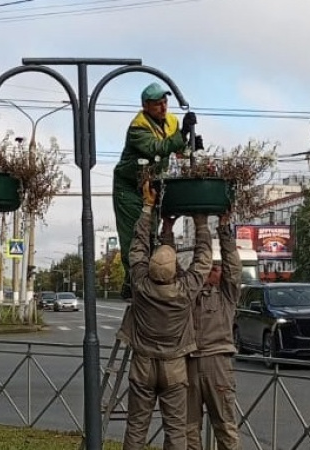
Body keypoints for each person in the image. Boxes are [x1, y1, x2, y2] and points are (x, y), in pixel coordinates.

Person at [120, 181, 212, 450]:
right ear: (174, 271)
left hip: (143, 364)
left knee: (136, 428)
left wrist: (148, 207)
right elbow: (203, 261)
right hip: (173, 366)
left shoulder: (140, 284)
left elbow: (137, 248)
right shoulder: (184, 291)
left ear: (150, 267)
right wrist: (201, 223)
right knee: (175, 430)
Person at [112, 82, 202, 300]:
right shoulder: (138, 127)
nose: (163, 107)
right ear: (146, 106)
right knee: (134, 235)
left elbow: (176, 151)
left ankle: (149, 283)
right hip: (129, 187)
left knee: (151, 233)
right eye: (157, 104)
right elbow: (157, 148)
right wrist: (182, 133)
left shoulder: (171, 121)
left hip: (150, 184)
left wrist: (191, 145)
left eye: (165, 102)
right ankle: (133, 283)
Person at [186, 213, 241, 450]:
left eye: (217, 268)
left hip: (217, 362)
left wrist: (224, 229)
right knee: (187, 430)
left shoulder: (226, 294)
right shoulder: (188, 292)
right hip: (188, 362)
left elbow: (233, 267)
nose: (214, 269)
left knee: (225, 426)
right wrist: (167, 232)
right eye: (211, 266)